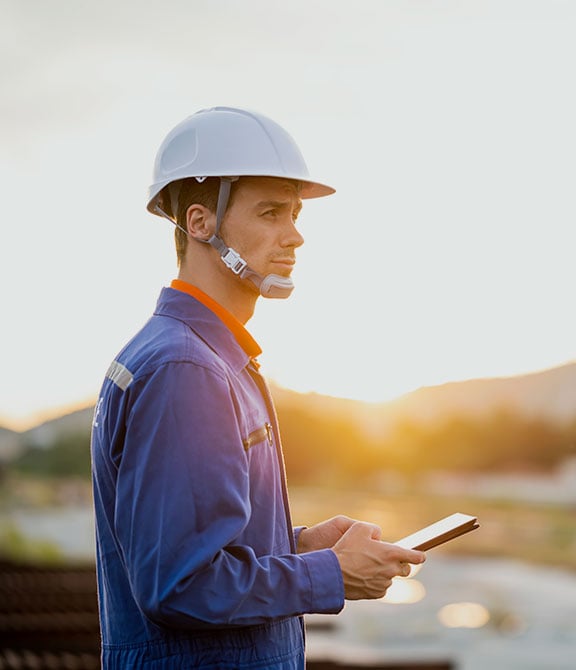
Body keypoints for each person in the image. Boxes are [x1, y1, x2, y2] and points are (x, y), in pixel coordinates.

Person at [90, 106, 426, 669]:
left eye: (294, 214)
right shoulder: (185, 369)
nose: (294, 235)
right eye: (270, 212)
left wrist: (299, 546)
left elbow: (193, 547)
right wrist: (333, 574)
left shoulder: (203, 357)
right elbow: (179, 584)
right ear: (199, 223)